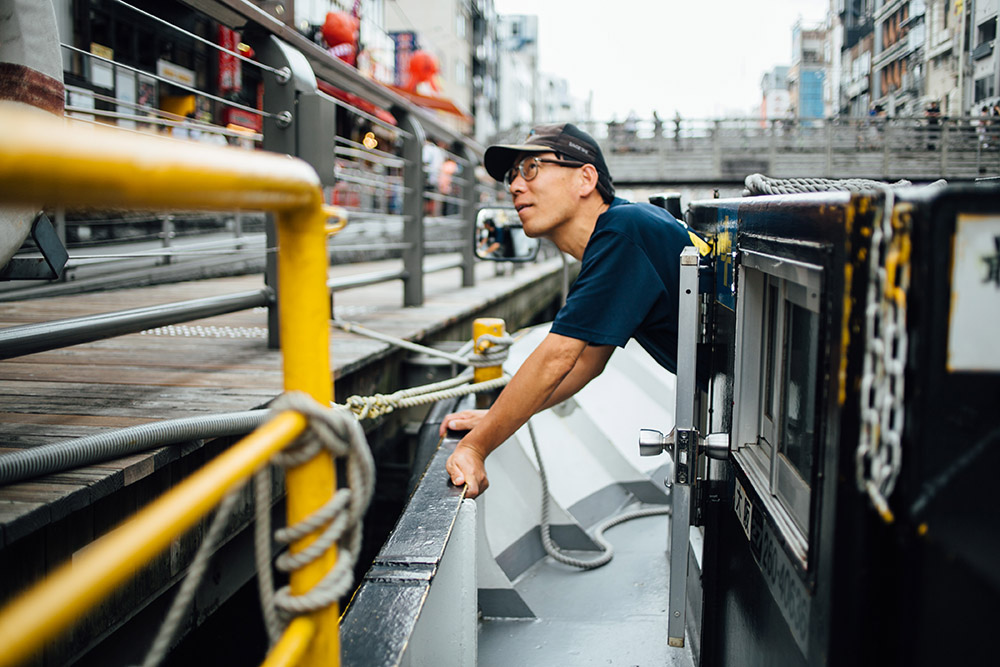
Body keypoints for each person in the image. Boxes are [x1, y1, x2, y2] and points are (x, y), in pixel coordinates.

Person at [440, 123, 696, 498]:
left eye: (530, 168)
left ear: (585, 179)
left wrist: (475, 448)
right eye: (512, 176)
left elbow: (558, 357)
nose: (514, 186)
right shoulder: (621, 230)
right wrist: (496, 420)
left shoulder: (622, 232)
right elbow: (586, 362)